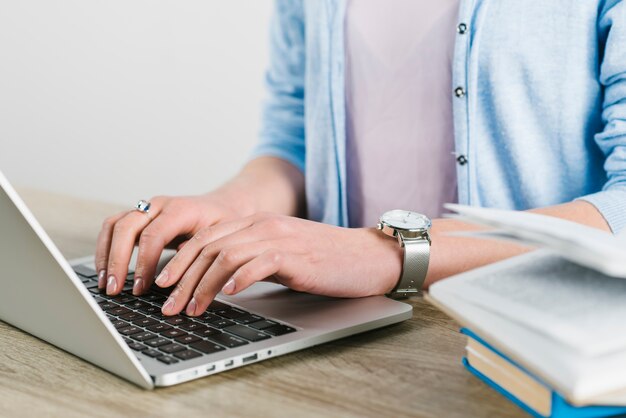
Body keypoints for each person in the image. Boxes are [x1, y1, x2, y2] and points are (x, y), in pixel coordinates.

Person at [95, 0, 626, 317]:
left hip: (523, 336)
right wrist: (226, 208)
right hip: (343, 320)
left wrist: (387, 255)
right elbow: (295, 135)